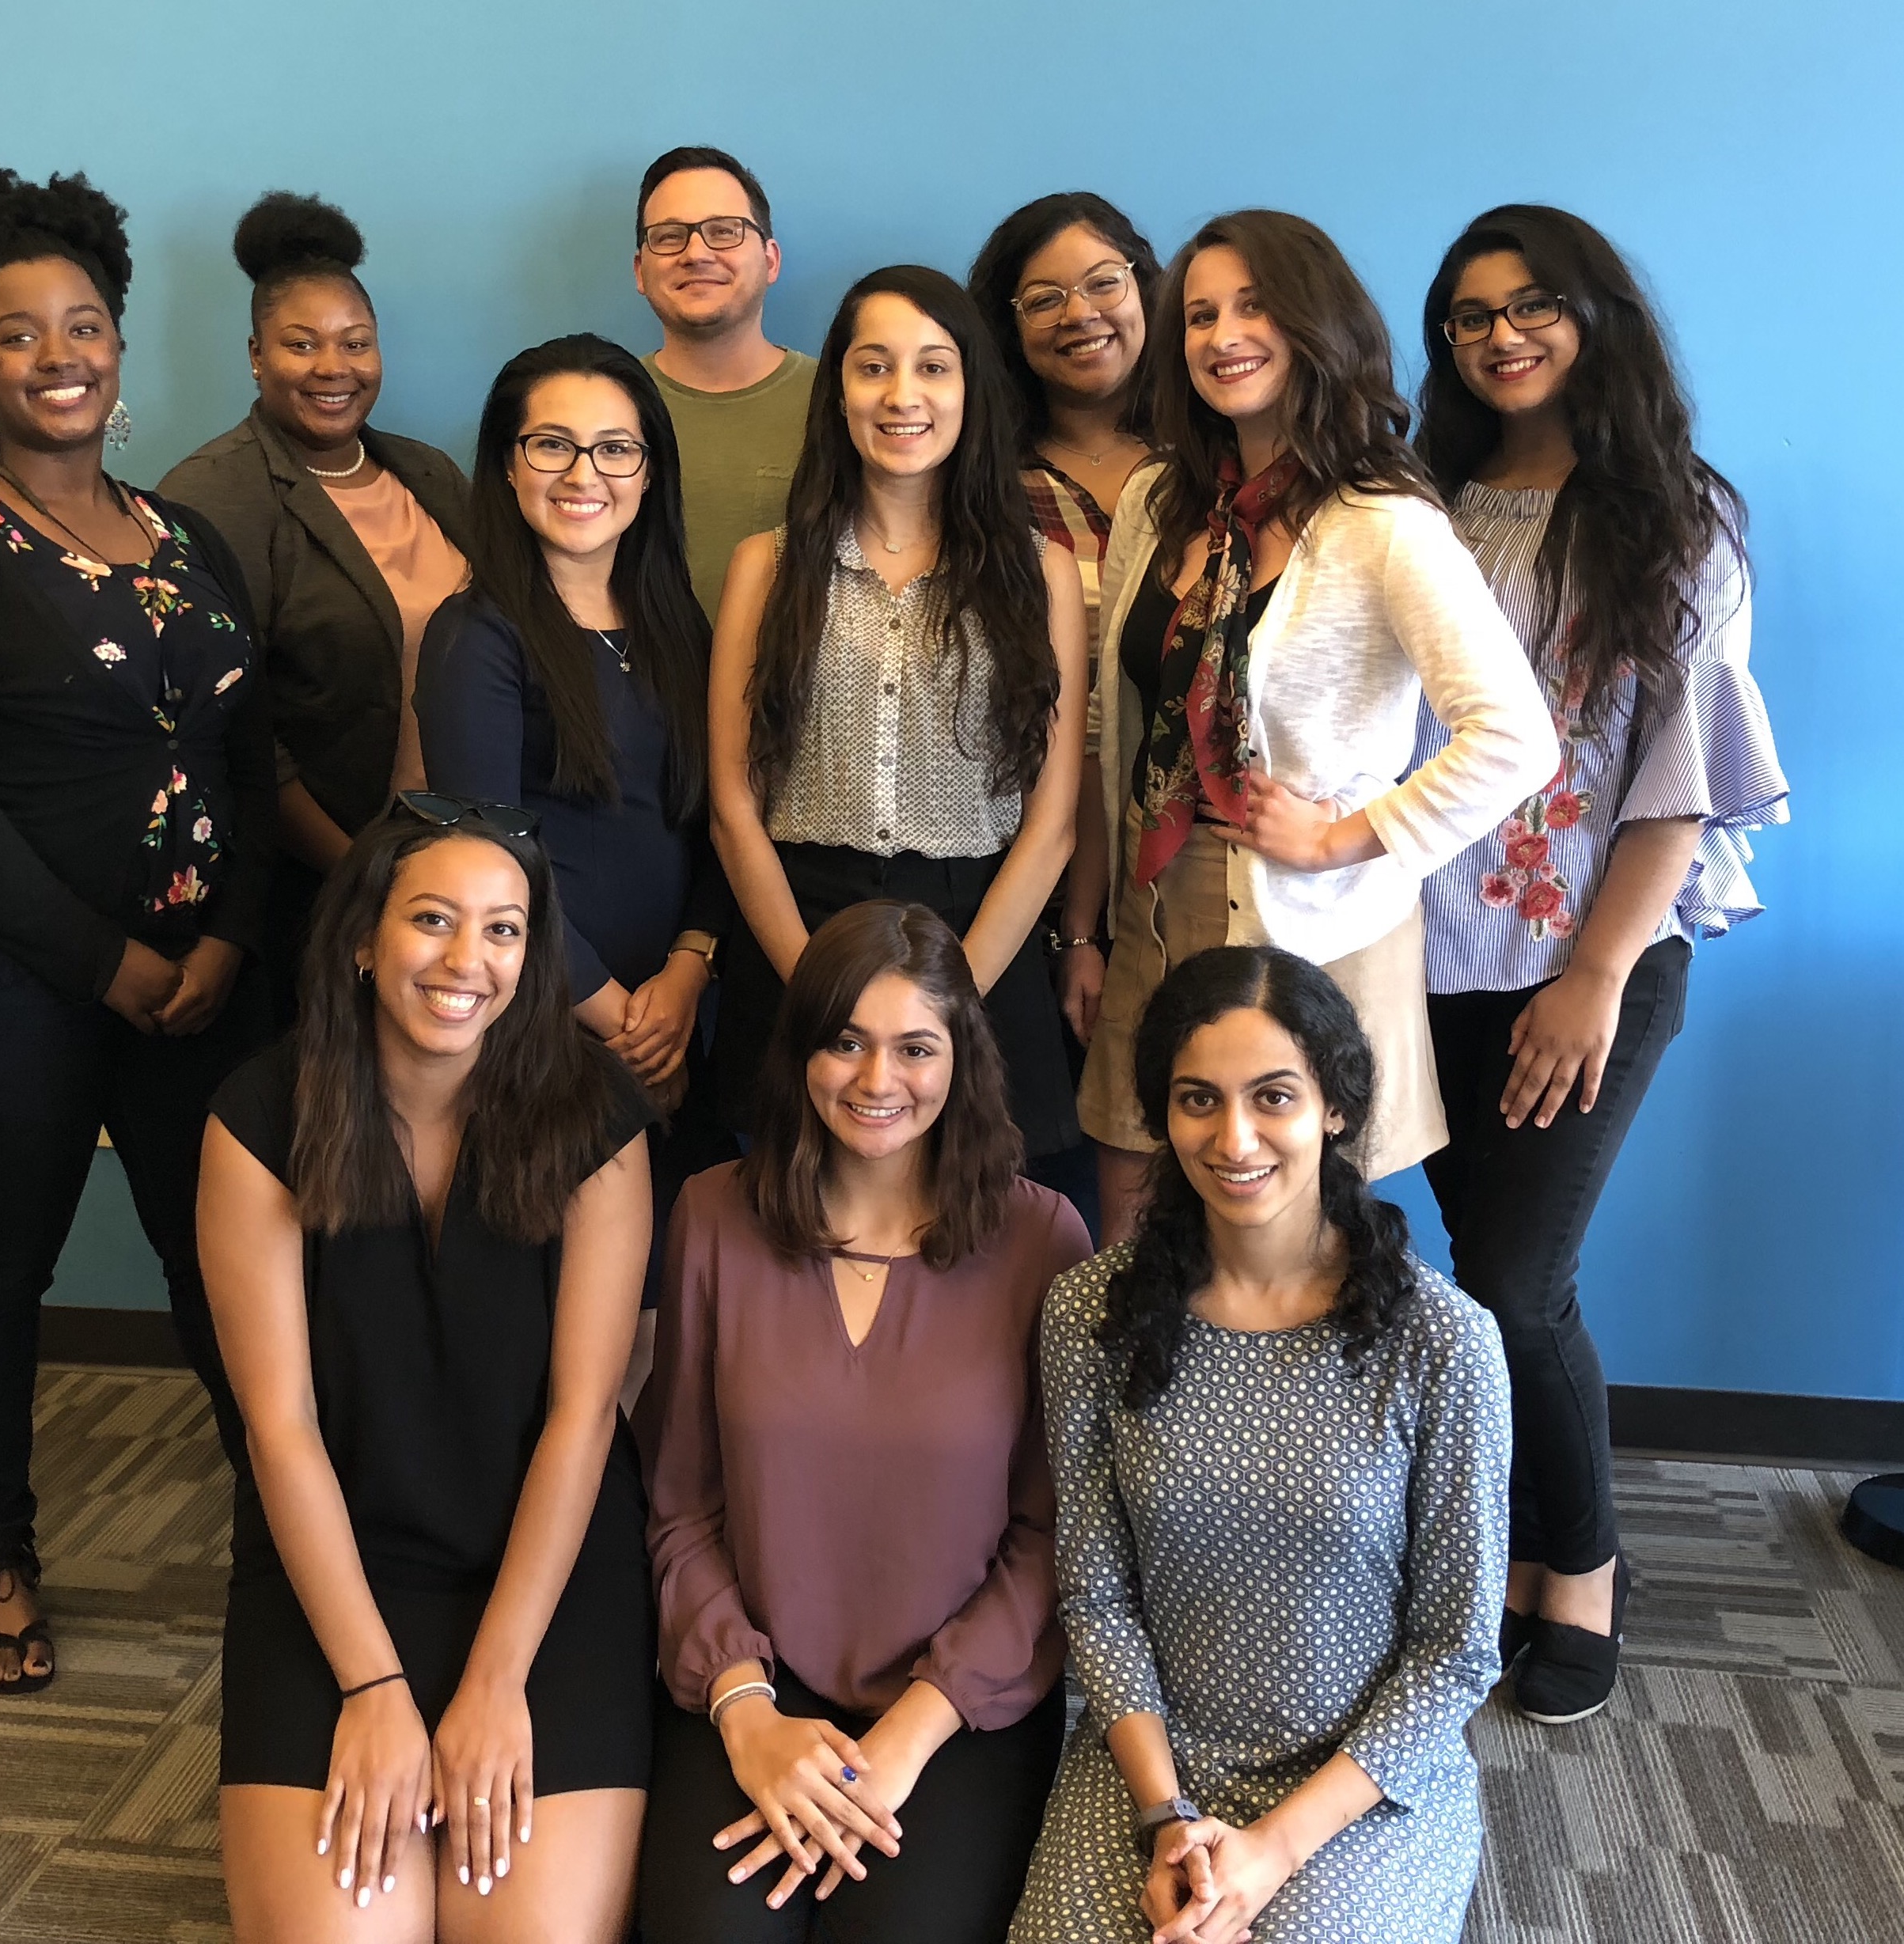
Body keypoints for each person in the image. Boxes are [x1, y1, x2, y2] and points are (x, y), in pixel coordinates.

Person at [0, 165, 273, 1694]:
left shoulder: (185, 537)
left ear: (120, 337)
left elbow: (239, 754)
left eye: (84, 323)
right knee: (1, 1255)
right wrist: (109, 964)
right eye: (16, 333)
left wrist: (225, 937)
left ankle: (286, 1531)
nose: (60, 356)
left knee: (218, 1248)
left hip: (192, 967)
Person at [1413, 205, 1788, 1724]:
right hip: (1421, 951)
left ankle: (1581, 1566)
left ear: (1594, 318)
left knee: (1517, 1278)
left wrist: (1592, 975)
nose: (1499, 337)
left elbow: (1677, 778)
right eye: (1468, 316)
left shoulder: (1673, 514)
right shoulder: (1421, 501)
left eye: (1531, 308)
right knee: (1479, 1273)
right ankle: (1513, 1547)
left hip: (1589, 949)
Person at [200, 805, 656, 1943]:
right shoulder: (262, 1115)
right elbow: (280, 1431)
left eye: (503, 930)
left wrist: (496, 1682)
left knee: (524, 1935)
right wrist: (370, 1686)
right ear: (363, 938)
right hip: (337, 1571)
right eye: (434, 921)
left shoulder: (596, 1115)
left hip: (544, 1576)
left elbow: (579, 1420)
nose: (468, 962)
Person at [1010, 946, 1511, 1944]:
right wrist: (1168, 1822)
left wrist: (1274, 1847)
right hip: (1150, 1762)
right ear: (1162, 1115)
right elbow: (1096, 1596)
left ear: (1333, 1108)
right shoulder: (1087, 1315)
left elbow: (1456, 1652)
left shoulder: (1444, 1341)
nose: (1233, 1138)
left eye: (1273, 1096)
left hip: (1362, 1780)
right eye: (1197, 1100)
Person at [1079, 209, 1560, 1245]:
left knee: (1286, 1244)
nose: (1219, 335)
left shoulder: (1378, 517)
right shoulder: (1162, 499)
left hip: (1310, 917)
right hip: (1154, 900)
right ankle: (1140, 1411)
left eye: (1251, 306)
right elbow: (1111, 727)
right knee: (1132, 1223)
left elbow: (1514, 735)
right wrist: (1087, 924)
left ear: (1314, 323)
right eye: (1198, 315)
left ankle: (1280, 1418)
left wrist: (1340, 834)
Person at [636, 901, 1090, 1942]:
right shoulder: (711, 1216)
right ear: (800, 1050)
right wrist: (745, 1710)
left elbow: (1049, 1535)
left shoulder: (1040, 1237)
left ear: (960, 1058)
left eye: (913, 1047)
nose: (876, 1080)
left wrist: (909, 1734)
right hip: (750, 1682)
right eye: (845, 1041)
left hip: (955, 1706)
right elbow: (678, 1505)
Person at [707, 263, 1089, 1173]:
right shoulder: (766, 566)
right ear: (836, 390)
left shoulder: (1042, 575)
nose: (902, 394)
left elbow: (1052, 822)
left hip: (979, 929)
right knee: (796, 1221)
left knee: (982, 1233)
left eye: (934, 367)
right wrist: (820, 994)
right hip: (798, 928)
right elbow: (732, 802)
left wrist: (945, 1005)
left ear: (971, 391)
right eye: (873, 366)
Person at [415, 333, 730, 1339]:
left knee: (667, 1303)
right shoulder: (479, 635)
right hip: (551, 1024)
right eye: (551, 445)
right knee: (566, 1318)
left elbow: (722, 816)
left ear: (650, 469)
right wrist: (618, 1017)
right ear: (507, 465)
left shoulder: (679, 621)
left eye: (615, 449)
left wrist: (686, 972)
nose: (584, 474)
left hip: (687, 1014)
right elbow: (492, 866)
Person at [161, 191, 471, 1014]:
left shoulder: (430, 476)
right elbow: (231, 724)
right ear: (256, 355)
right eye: (302, 345)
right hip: (308, 891)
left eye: (356, 343)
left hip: (452, 877)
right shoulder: (215, 494)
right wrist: (358, 876)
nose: (334, 368)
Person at [970, 190, 1164, 1233]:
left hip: (1200, 850)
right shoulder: (981, 482)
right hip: (1025, 856)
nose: (1077, 313)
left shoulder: (1216, 460)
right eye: (1041, 297)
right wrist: (1067, 930)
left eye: (1101, 282)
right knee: (1057, 1163)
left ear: (1145, 284)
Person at [633, 146, 816, 620]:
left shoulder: (841, 404)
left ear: (770, 260)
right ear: (640, 271)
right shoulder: (603, 407)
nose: (696, 253)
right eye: (669, 236)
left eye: (723, 232)